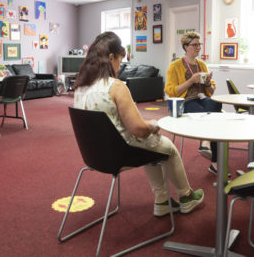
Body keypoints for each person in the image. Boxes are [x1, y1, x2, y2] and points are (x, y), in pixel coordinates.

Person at [74, 31, 204, 217]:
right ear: (111, 57)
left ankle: (162, 200)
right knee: (166, 146)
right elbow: (139, 131)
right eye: (120, 59)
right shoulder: (116, 86)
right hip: (119, 153)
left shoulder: (81, 86)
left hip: (94, 155)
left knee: (153, 146)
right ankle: (186, 196)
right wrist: (153, 124)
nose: (120, 65)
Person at [164, 31, 223, 175]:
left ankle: (206, 145)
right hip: (184, 101)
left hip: (202, 98)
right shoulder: (175, 66)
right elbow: (170, 91)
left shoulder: (202, 64)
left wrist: (208, 83)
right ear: (185, 46)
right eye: (194, 45)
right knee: (209, 117)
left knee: (217, 105)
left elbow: (212, 91)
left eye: (199, 44)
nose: (198, 47)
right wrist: (190, 81)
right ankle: (211, 155)